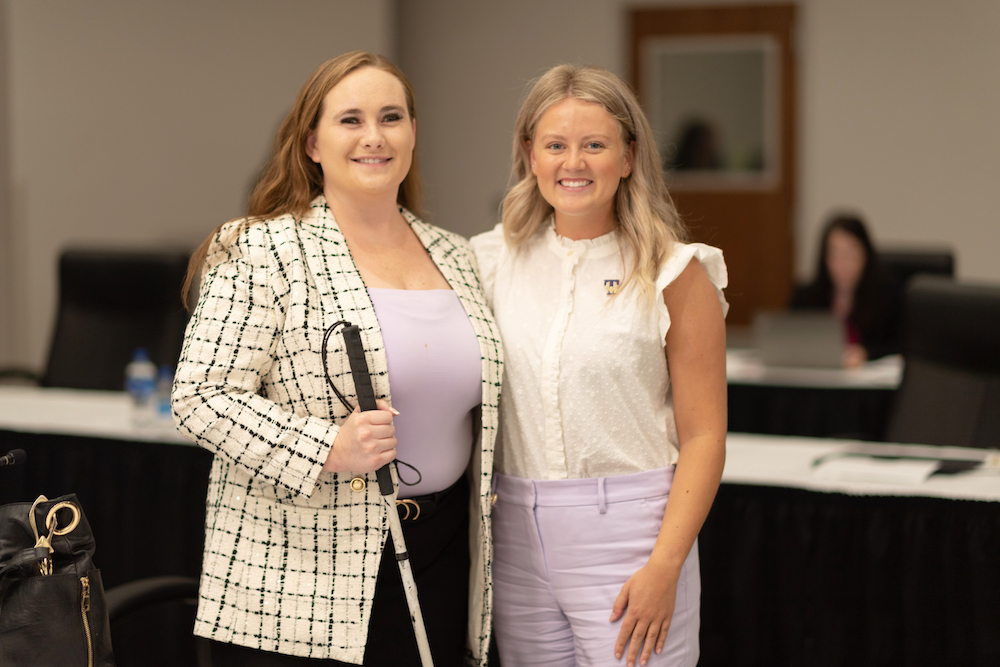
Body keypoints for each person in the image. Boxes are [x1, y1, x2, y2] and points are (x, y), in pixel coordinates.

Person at [172, 51, 503, 666]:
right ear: (311, 143)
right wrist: (327, 447)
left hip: (440, 549)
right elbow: (199, 398)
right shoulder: (264, 247)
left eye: (392, 117)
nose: (374, 137)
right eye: (350, 120)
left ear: (412, 133)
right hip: (297, 570)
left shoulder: (458, 255)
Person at [472, 65, 728, 667]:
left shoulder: (676, 271)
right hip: (514, 538)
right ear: (530, 156)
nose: (574, 163)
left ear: (629, 156)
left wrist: (665, 565)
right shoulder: (489, 261)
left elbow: (705, 436)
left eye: (594, 145)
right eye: (555, 145)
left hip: (633, 539)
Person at [791, 214, 898, 367]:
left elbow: (899, 346)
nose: (843, 264)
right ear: (825, 258)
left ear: (866, 255)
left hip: (866, 385)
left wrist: (866, 353)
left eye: (850, 254)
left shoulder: (886, 296)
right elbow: (790, 341)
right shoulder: (806, 295)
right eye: (835, 254)